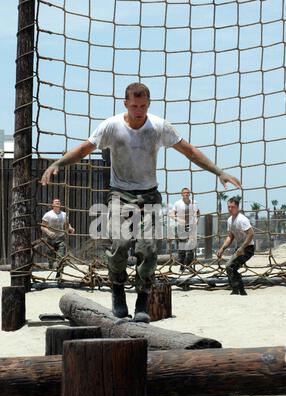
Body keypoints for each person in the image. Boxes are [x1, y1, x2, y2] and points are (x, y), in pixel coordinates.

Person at [41, 82, 241, 321]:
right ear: (125, 103)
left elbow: (189, 151)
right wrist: (57, 164)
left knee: (147, 250)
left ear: (148, 104)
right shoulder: (112, 126)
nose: (139, 111)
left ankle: (142, 303)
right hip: (120, 194)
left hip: (149, 195)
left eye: (143, 106)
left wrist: (218, 171)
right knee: (120, 245)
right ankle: (117, 291)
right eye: (134, 106)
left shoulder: (158, 127)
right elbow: (84, 149)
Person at [216, 196, 254, 295]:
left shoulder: (242, 219)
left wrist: (242, 248)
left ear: (237, 207)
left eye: (232, 207)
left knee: (231, 267)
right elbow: (230, 236)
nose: (230, 209)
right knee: (228, 266)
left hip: (248, 248)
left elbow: (251, 234)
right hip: (239, 248)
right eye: (228, 207)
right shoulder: (229, 220)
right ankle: (237, 290)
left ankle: (240, 290)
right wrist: (222, 248)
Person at [41, 198, 75, 278]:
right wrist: (49, 232)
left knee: (61, 257)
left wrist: (70, 228)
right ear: (52, 205)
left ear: (60, 204)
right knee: (51, 257)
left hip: (60, 238)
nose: (57, 203)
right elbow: (42, 227)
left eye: (59, 202)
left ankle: (59, 273)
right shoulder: (48, 214)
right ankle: (50, 264)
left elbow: (66, 225)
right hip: (50, 239)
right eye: (56, 202)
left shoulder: (64, 214)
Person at [170, 188, 200, 271]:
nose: (186, 194)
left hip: (191, 226)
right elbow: (172, 214)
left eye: (187, 193)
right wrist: (178, 220)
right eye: (185, 193)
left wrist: (197, 220)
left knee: (191, 247)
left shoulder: (194, 202)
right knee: (182, 247)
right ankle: (182, 266)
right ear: (182, 194)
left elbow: (198, 212)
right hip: (181, 227)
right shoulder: (177, 203)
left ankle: (190, 265)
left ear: (189, 194)